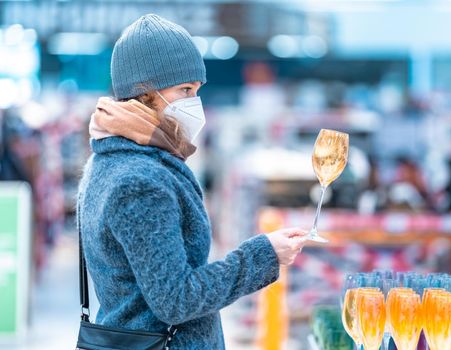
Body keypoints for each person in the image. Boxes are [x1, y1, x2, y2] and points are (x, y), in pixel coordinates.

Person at [77, 14, 307, 349]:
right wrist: (263, 255)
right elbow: (176, 300)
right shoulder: (139, 181)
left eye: (197, 90)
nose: (193, 103)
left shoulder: (108, 161)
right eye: (184, 90)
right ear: (144, 92)